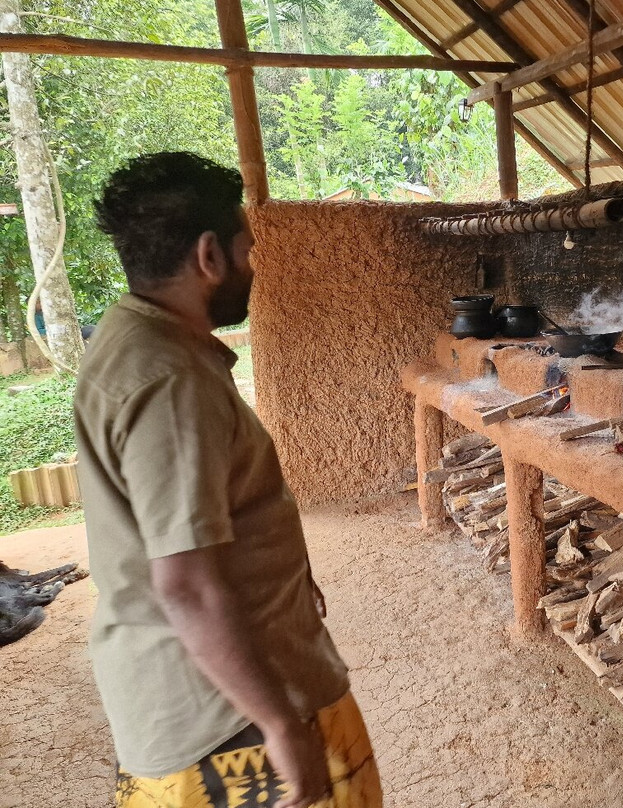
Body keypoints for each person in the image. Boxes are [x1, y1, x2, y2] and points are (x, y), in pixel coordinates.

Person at [75, 152, 381, 808]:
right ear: (209, 256)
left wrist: (287, 576)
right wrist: (278, 723)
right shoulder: (170, 383)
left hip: (207, 696)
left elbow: (195, 513)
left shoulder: (135, 339)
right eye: (248, 250)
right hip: (228, 723)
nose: (253, 266)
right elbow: (185, 585)